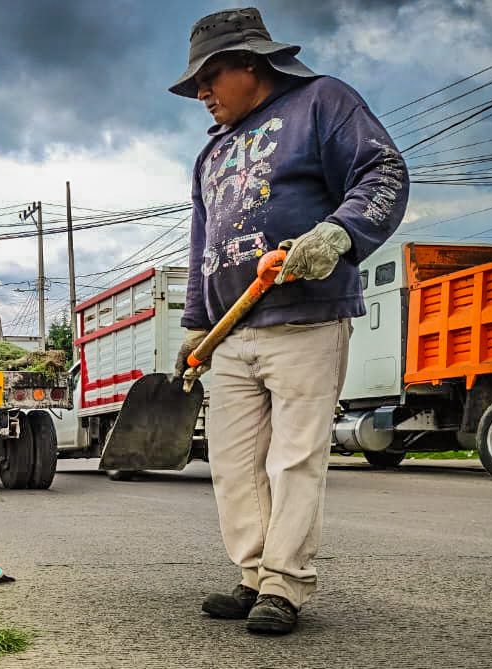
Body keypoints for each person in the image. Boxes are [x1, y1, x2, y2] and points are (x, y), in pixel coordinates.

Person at [170, 7, 408, 634]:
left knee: (293, 459)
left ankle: (285, 584)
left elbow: (382, 173)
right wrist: (197, 324)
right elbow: (203, 246)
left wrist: (338, 233)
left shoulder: (322, 102)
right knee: (234, 462)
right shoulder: (211, 154)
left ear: (251, 64)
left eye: (209, 77)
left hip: (306, 317)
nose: (200, 93)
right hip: (231, 332)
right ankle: (251, 573)